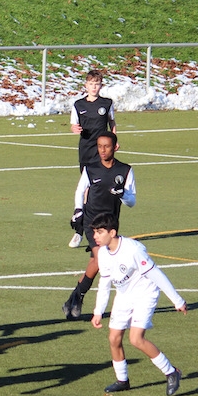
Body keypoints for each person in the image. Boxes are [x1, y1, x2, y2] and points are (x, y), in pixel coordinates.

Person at [88, 213, 187, 396]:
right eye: (95, 232)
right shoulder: (102, 253)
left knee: (135, 339)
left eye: (100, 232)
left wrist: (177, 300)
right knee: (114, 338)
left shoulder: (133, 250)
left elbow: (156, 275)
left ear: (113, 232)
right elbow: (105, 283)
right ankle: (122, 380)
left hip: (145, 294)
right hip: (124, 295)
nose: (95, 236)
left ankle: (171, 372)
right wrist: (98, 311)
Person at [62, 131, 135, 320]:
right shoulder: (91, 168)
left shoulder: (125, 170)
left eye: (107, 146)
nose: (102, 150)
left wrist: (122, 194)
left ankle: (75, 297)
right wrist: (78, 210)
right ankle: (86, 301)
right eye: (100, 146)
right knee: (101, 259)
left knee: (96, 262)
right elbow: (80, 190)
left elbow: (132, 201)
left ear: (115, 147)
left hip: (110, 224)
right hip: (92, 221)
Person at [67, 70, 116, 248]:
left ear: (101, 86)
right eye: (91, 84)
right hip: (86, 150)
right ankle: (81, 230)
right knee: (87, 191)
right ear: (86, 86)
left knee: (99, 191)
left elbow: (112, 123)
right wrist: (75, 129)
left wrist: (114, 140)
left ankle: (98, 232)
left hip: (103, 150)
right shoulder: (78, 105)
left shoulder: (107, 103)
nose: (94, 87)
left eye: (97, 84)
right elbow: (73, 124)